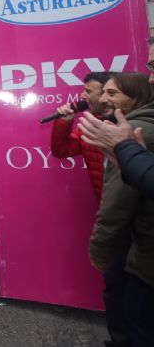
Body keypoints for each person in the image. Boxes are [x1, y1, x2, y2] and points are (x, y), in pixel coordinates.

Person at [84, 73, 154, 347]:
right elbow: (61, 149)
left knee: (133, 314)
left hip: (137, 243)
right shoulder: (113, 128)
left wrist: (100, 250)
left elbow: (116, 203)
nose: (102, 98)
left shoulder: (133, 132)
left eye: (111, 93)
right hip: (138, 240)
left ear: (135, 97)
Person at [51, 72, 112, 201]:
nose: (82, 95)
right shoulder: (87, 127)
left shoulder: (130, 126)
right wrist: (64, 121)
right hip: (107, 207)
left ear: (107, 95)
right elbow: (62, 151)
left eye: (88, 92)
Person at [79, 110, 154, 201]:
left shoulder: (135, 126)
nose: (104, 98)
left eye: (112, 94)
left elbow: (117, 204)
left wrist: (127, 151)